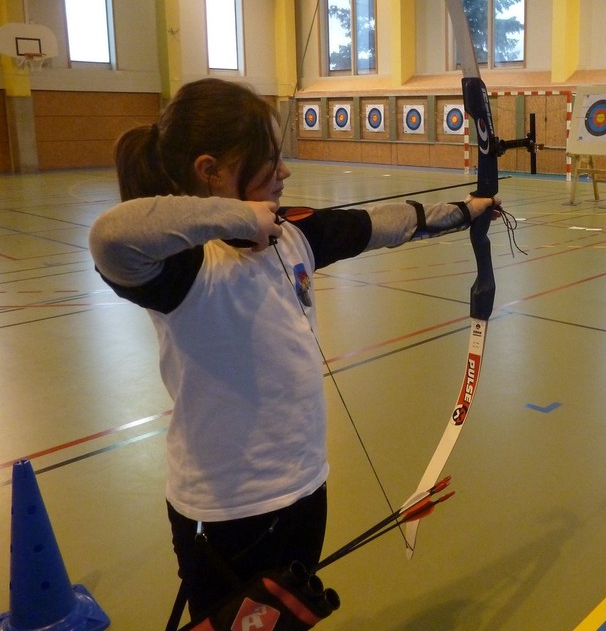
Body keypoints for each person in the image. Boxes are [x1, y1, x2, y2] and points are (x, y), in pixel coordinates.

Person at [88, 78, 496, 623]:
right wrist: (240, 217)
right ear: (211, 171)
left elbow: (382, 224)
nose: (284, 171)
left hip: (305, 487)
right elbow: (109, 237)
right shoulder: (183, 270)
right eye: (268, 160)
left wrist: (466, 211)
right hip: (228, 513)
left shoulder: (293, 235)